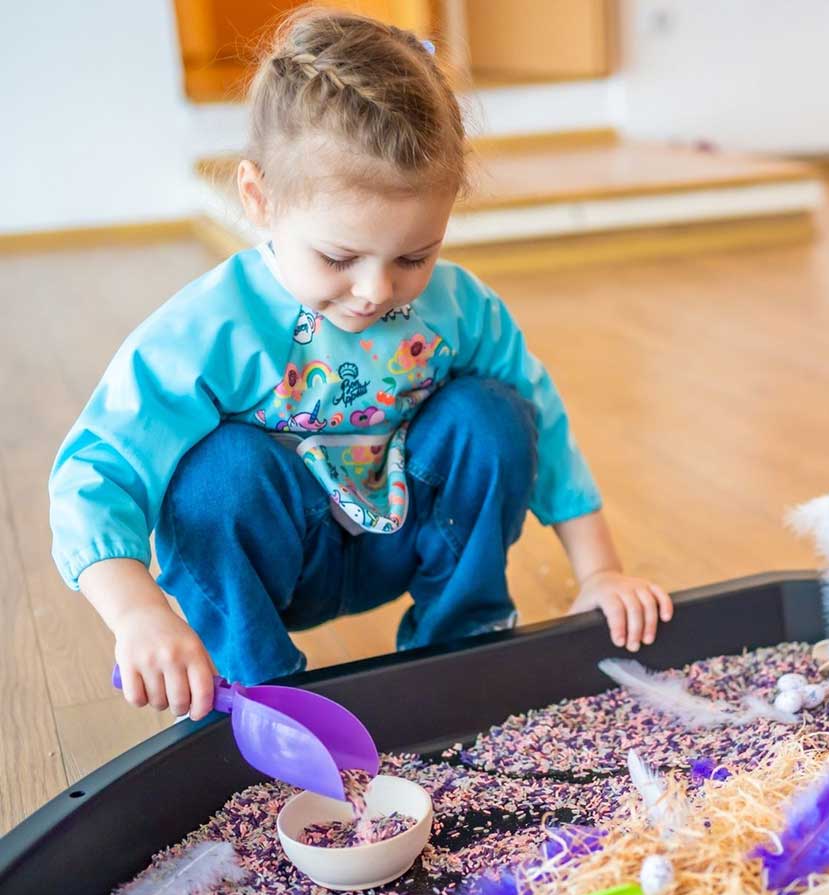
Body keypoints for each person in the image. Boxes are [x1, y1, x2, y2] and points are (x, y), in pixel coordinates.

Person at [49, 8, 672, 722]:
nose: (377, 291)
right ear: (259, 199)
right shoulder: (207, 327)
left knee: (493, 415)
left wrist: (599, 571)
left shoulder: (462, 308)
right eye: (338, 258)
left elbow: (545, 426)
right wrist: (137, 613)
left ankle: (459, 651)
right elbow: (95, 473)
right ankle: (260, 695)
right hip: (283, 560)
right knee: (213, 474)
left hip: (402, 536)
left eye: (414, 256)